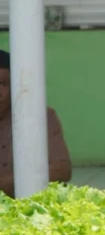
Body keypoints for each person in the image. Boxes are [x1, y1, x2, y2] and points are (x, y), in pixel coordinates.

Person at [0, 50, 73, 197]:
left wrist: (8, 183)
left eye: (3, 84)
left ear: (15, 86)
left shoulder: (39, 116)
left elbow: (62, 170)